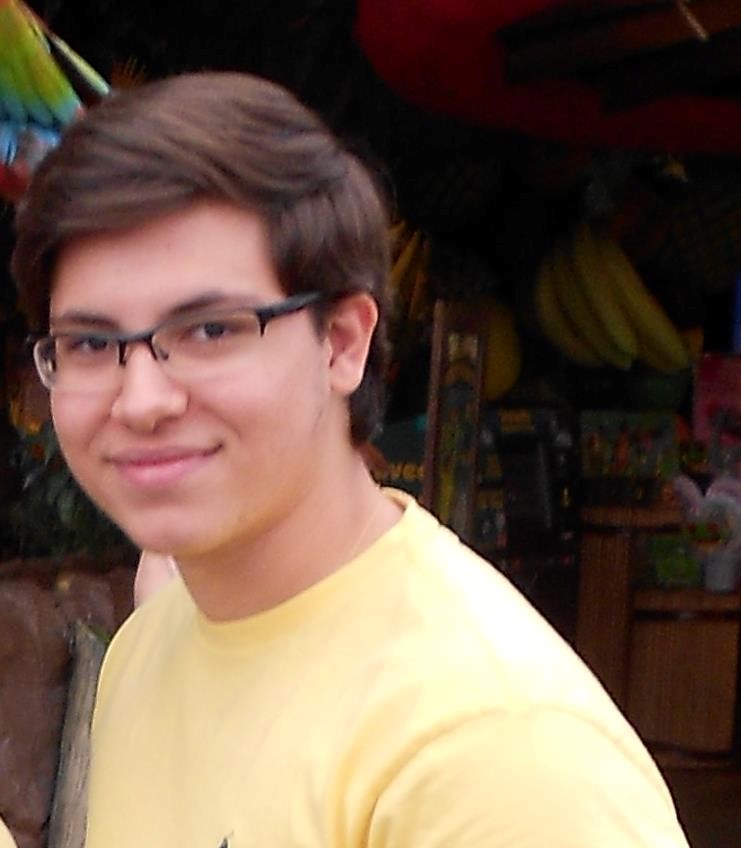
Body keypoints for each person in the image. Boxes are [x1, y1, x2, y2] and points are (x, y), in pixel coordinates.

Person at [11, 71, 690, 847]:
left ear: (341, 342)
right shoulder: (144, 654)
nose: (141, 400)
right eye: (90, 343)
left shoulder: (492, 748)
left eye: (211, 330)